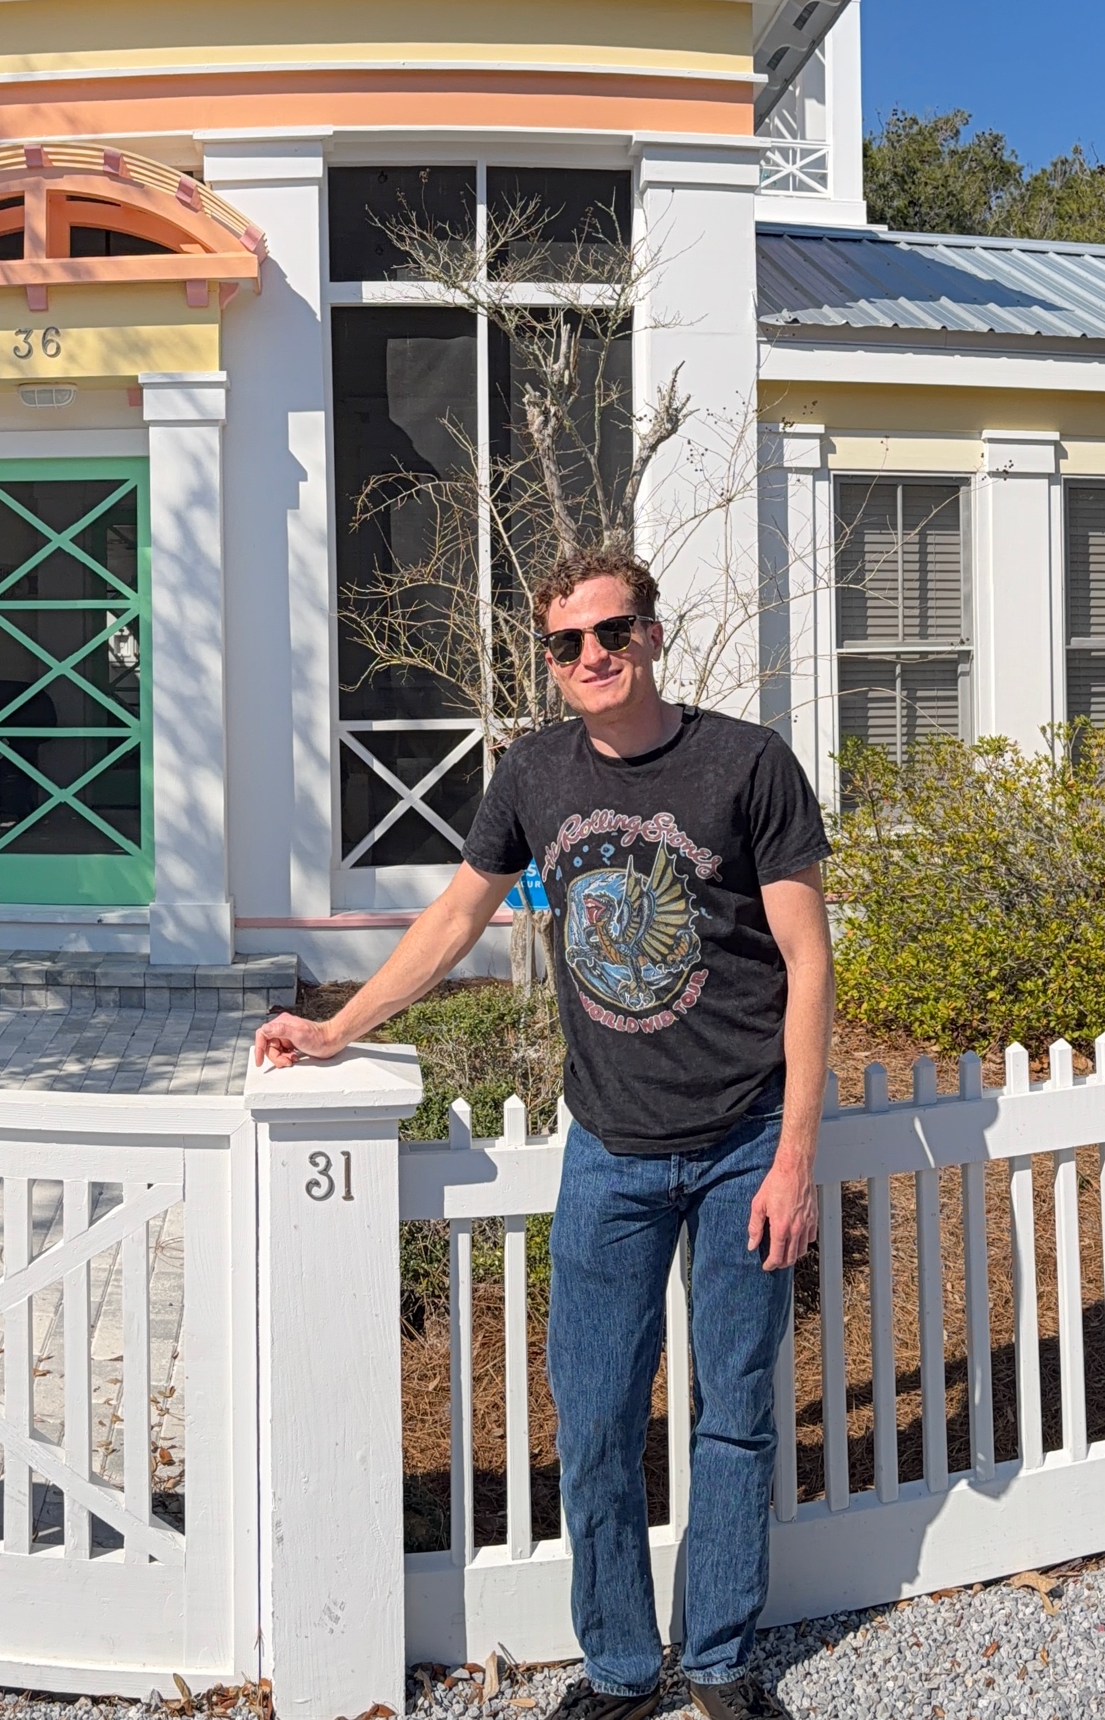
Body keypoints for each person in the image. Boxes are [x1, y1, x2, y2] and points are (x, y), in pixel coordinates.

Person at [252, 547, 832, 1720]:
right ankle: (621, 1669)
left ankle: (718, 1660)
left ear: (652, 634)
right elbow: (457, 916)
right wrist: (337, 1025)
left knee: (735, 1413)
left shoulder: (745, 764)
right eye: (565, 644)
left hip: (740, 1142)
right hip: (609, 1151)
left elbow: (810, 960)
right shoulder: (534, 773)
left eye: (610, 633)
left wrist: (794, 1159)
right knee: (599, 1417)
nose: (590, 658)